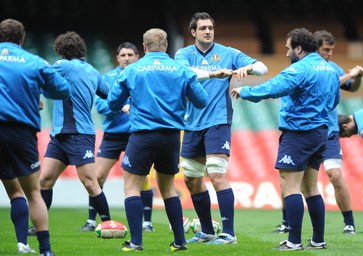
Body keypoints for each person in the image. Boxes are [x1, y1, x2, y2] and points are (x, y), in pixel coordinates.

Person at [231, 28, 340, 250]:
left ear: (299, 48)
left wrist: (245, 92)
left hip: (299, 133)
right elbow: (335, 100)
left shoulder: (299, 69)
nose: (287, 52)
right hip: (321, 133)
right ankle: (318, 240)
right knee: (311, 187)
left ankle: (293, 242)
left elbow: (273, 88)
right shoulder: (329, 69)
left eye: (289, 48)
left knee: (290, 187)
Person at [108, 28, 209, 252]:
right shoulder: (181, 69)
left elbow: (113, 104)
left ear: (144, 47)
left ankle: (136, 242)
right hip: (171, 137)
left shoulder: (132, 69)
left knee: (132, 187)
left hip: (142, 136)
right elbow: (202, 100)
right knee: (168, 189)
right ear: (166, 46)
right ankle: (180, 241)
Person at [174, 11, 268, 245]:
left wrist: (250, 68)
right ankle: (207, 231)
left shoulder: (228, 53)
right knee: (192, 179)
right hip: (192, 123)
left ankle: (229, 234)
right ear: (193, 32)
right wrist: (213, 74)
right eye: (203, 28)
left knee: (216, 173)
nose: (208, 31)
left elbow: (263, 68)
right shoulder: (183, 54)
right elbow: (186, 73)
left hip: (218, 120)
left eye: (211, 28)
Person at [273, 30, 363, 235]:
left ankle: (348, 222)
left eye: (332, 49)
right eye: (326, 49)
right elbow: (336, 82)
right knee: (294, 182)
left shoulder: (332, 68)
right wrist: (349, 74)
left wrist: (356, 77)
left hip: (326, 130)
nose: (329, 53)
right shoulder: (309, 68)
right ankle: (288, 222)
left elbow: (351, 87)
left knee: (331, 175)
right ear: (315, 48)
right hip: (309, 129)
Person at [0, 18, 71, 256]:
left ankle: (22, 243)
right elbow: (62, 89)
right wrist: (36, 90)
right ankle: (45, 251)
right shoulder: (33, 61)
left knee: (14, 192)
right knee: (32, 192)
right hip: (21, 132)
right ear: (22, 39)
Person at [36, 31, 111, 230]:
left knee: (89, 182)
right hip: (60, 135)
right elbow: (108, 93)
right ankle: (39, 225)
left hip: (78, 134)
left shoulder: (64, 66)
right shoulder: (93, 71)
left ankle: (108, 224)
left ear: (61, 51)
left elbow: (42, 70)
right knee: (45, 180)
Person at [80, 42, 155, 233]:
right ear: (117, 58)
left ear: (137, 57)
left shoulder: (144, 75)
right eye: (123, 55)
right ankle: (91, 221)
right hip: (112, 135)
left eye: (130, 55)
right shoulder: (108, 78)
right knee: (97, 176)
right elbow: (101, 106)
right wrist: (121, 105)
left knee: (143, 177)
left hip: (136, 134)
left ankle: (147, 222)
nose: (127, 58)